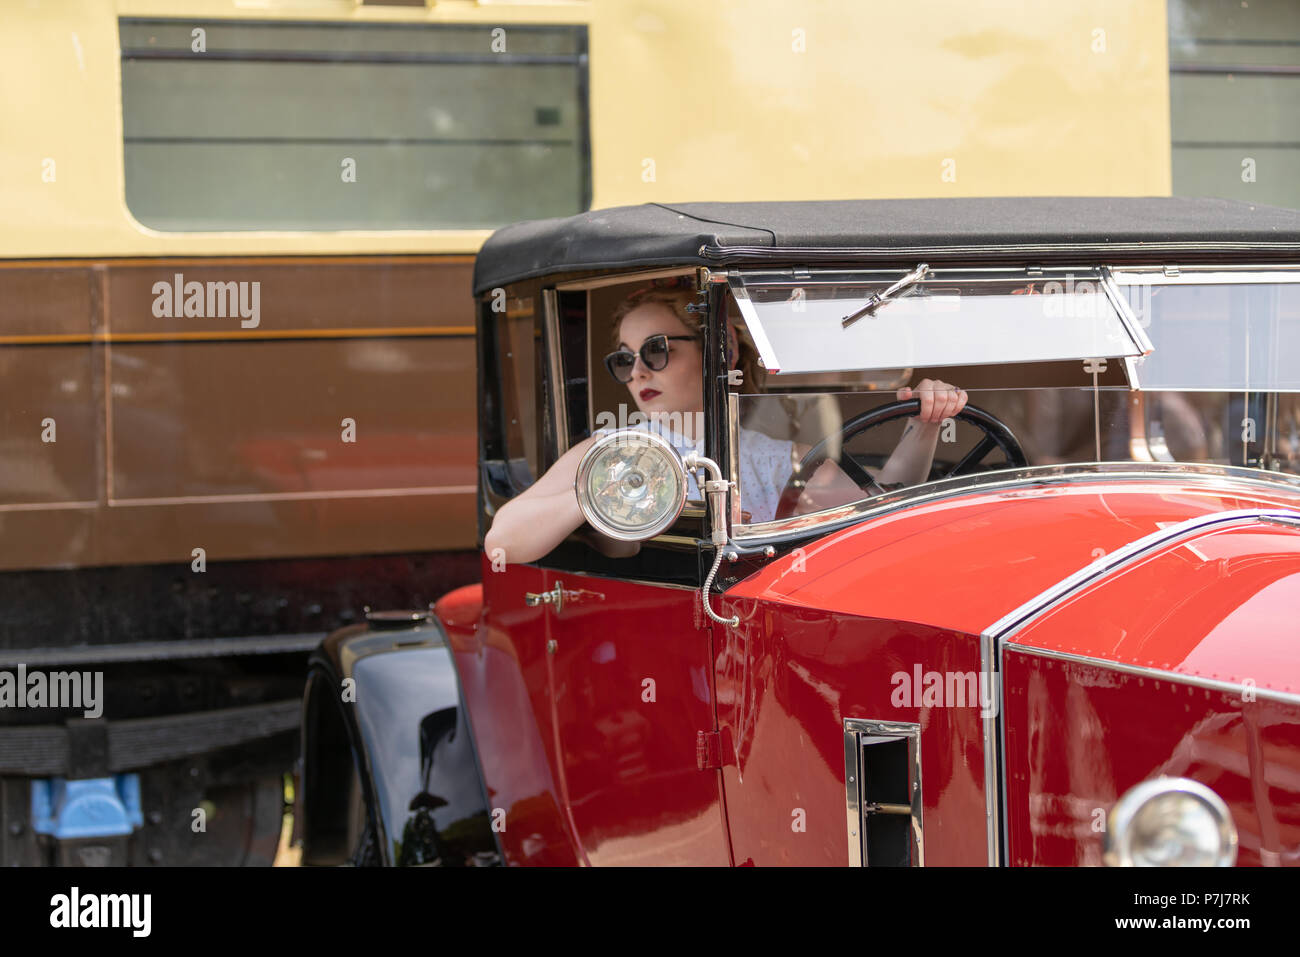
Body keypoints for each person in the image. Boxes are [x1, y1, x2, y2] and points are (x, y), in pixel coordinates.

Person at [484, 282, 967, 566]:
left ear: (723, 351)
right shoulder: (611, 448)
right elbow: (503, 541)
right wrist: (614, 490)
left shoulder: (775, 456)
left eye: (656, 350)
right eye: (624, 359)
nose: (637, 372)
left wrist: (925, 423)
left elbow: (875, 512)